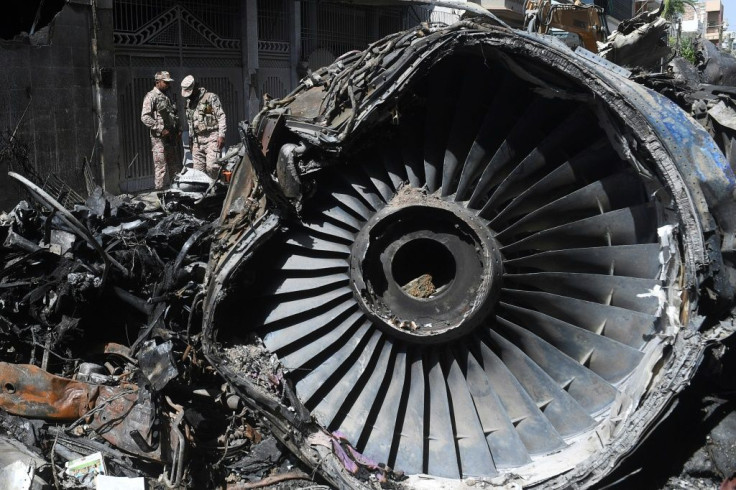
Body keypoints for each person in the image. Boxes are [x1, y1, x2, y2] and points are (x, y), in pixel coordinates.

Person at [141, 71, 181, 190]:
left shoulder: (167, 95)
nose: (168, 85)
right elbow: (145, 117)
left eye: (169, 83)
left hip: (171, 137)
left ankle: (175, 192)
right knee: (161, 167)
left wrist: (178, 129)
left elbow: (173, 114)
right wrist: (160, 129)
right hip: (159, 139)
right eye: (166, 82)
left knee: (174, 166)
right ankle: (160, 193)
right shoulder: (151, 96)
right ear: (157, 82)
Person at [180, 75, 227, 178]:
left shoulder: (210, 97)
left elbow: (221, 116)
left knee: (212, 167)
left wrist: (221, 135)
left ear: (195, 87)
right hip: (197, 140)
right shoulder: (189, 103)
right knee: (198, 172)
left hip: (212, 137)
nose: (188, 96)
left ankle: (218, 186)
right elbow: (190, 123)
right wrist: (191, 141)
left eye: (190, 92)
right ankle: (204, 192)